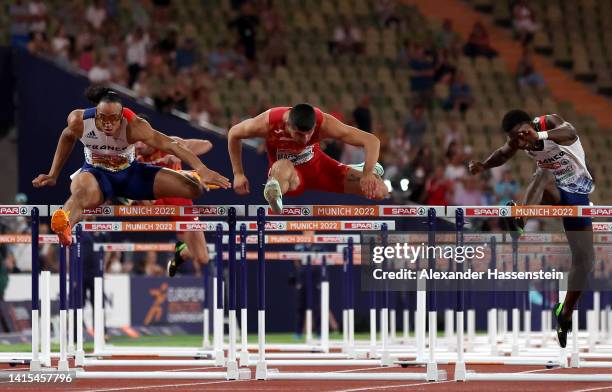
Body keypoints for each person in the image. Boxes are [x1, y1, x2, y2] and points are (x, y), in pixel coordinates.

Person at [32, 86, 230, 246]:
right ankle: (64, 226)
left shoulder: (135, 125)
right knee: (81, 191)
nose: (108, 125)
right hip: (98, 175)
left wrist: (202, 169)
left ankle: (190, 178)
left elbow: (171, 144)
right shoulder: (79, 120)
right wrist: (53, 174)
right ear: (96, 115)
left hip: (131, 174)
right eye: (103, 120)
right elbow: (67, 137)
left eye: (113, 120)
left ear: (121, 117)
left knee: (193, 189)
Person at [469, 109, 595, 348]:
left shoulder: (549, 122)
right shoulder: (518, 140)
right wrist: (483, 166)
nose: (520, 141)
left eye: (522, 135)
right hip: (553, 190)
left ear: (530, 125)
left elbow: (571, 131)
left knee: (585, 260)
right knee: (543, 174)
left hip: (578, 190)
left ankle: (565, 312)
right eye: (515, 138)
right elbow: (503, 154)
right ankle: (520, 220)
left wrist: (541, 136)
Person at [228, 104, 387, 213]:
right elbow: (234, 134)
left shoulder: (324, 123)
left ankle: (359, 168)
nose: (304, 139)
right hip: (291, 176)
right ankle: (274, 194)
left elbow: (371, 140)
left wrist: (367, 174)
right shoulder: (268, 123)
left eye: (308, 134)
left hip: (322, 169)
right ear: (288, 125)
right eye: (299, 134)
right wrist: (238, 173)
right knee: (282, 167)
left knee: (380, 191)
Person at [135, 126, 213, 277]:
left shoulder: (169, 143)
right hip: (156, 202)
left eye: (142, 143)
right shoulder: (134, 154)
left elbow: (207, 144)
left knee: (203, 258)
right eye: (136, 142)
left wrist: (182, 154)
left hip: (181, 203)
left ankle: (180, 253)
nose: (139, 147)